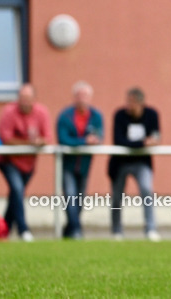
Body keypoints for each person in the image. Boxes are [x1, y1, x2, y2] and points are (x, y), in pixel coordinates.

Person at [0, 84, 51, 241]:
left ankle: (4, 229)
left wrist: (39, 142)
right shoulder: (9, 112)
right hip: (9, 161)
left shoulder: (42, 112)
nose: (24, 102)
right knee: (17, 189)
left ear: (34, 99)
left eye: (28, 99)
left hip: (28, 164)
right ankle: (23, 229)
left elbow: (47, 137)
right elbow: (6, 138)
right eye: (22, 98)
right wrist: (29, 143)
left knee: (16, 194)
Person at [109, 87, 160, 241]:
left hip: (142, 161)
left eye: (132, 102)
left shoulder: (152, 115)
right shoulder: (120, 115)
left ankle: (150, 228)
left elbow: (155, 136)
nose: (128, 105)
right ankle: (116, 230)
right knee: (117, 197)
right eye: (127, 101)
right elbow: (119, 140)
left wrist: (149, 142)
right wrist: (142, 143)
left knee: (147, 190)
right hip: (120, 163)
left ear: (141, 103)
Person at [56, 81, 103, 239]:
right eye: (79, 95)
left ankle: (69, 229)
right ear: (74, 97)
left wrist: (93, 141)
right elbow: (63, 139)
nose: (82, 98)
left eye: (85, 95)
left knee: (80, 199)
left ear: (90, 98)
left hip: (85, 165)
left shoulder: (96, 116)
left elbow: (99, 137)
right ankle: (76, 230)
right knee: (70, 196)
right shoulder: (65, 116)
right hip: (67, 164)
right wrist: (84, 141)